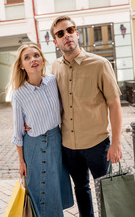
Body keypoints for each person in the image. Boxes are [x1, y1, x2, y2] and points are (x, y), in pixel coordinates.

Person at [50, 15, 122, 217]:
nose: (67, 36)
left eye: (70, 30)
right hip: (69, 146)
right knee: (81, 189)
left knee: (106, 190)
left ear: (77, 34)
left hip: (97, 144)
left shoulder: (100, 64)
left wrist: (116, 142)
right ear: (55, 41)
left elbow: (114, 104)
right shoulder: (55, 68)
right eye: (61, 33)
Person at [9, 43, 74, 217]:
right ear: (22, 65)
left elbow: (63, 106)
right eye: (27, 58)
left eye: (36, 55)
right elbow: (17, 134)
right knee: (39, 196)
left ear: (42, 59)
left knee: (54, 193)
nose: (33, 60)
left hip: (55, 142)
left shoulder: (53, 81)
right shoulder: (19, 95)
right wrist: (21, 162)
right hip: (34, 147)